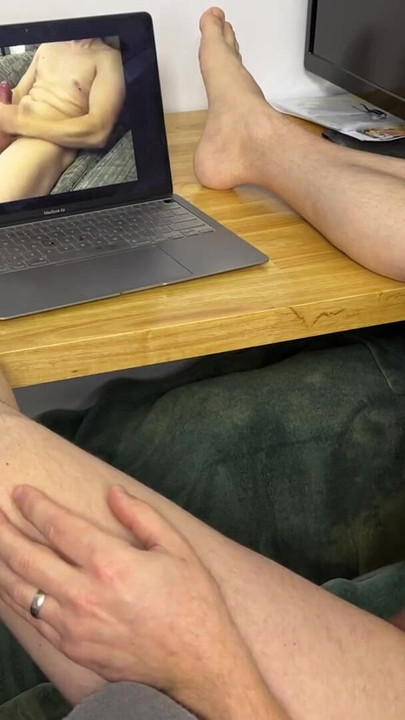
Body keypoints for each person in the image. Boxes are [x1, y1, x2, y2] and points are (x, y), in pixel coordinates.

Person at [0, 7, 404, 720]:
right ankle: (262, 140)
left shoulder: (99, 62)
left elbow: (91, 127)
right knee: (111, 427)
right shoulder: (52, 59)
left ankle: (261, 140)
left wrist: (208, 668)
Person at [0, 38, 125, 203]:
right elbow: (20, 92)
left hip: (46, 140)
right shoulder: (47, 46)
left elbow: (98, 131)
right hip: (14, 122)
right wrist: (5, 102)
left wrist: (19, 123)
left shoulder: (108, 59)